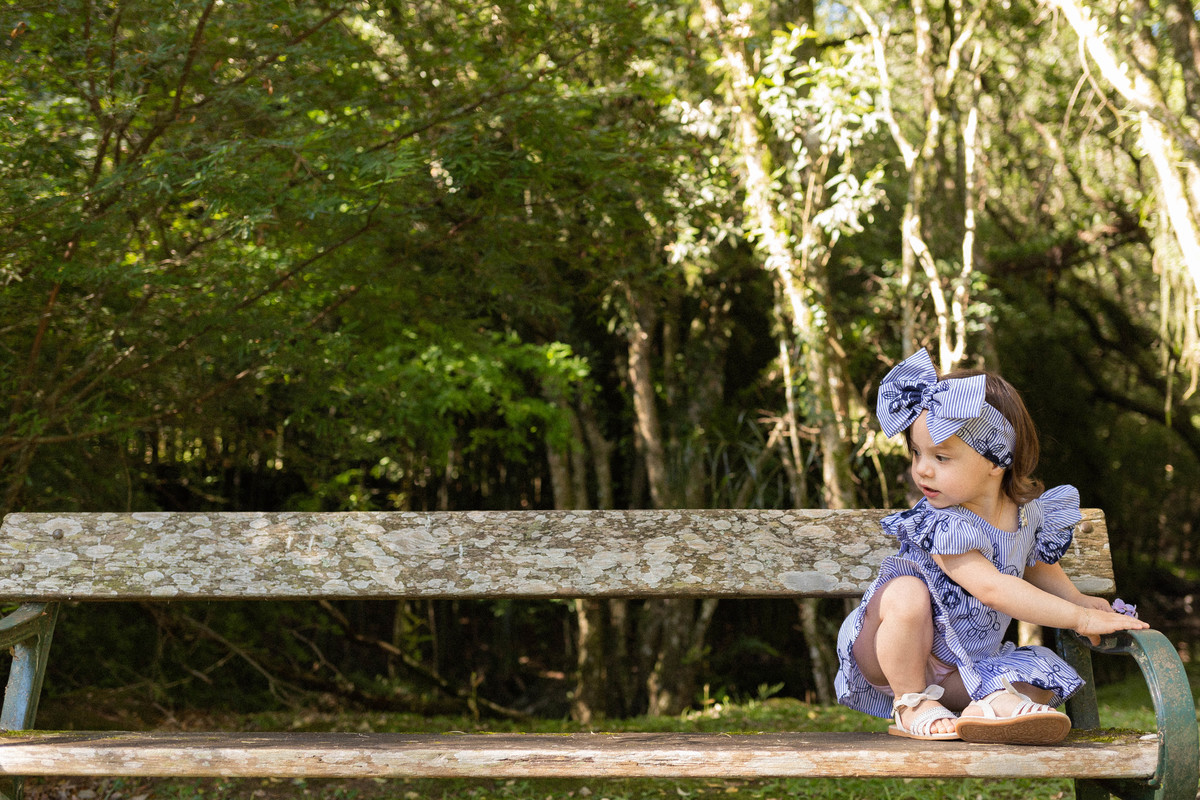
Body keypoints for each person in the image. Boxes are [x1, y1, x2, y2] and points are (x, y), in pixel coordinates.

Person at [834, 349, 1149, 744]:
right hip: (891, 649)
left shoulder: (1029, 515)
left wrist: (1078, 600)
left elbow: (1033, 564)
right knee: (907, 593)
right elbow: (993, 589)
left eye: (941, 456)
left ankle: (989, 707)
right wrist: (1078, 620)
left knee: (1043, 671)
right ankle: (910, 702)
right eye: (917, 452)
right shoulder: (943, 522)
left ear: (996, 460)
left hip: (961, 665)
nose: (921, 469)